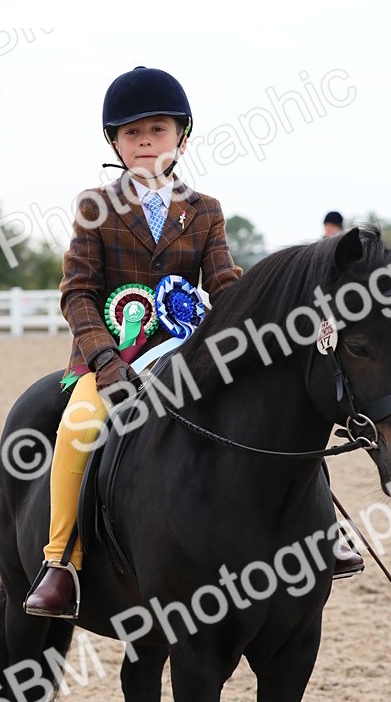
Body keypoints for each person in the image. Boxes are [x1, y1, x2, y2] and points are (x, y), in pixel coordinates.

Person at [25, 66, 243, 617]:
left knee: (269, 400)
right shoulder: (94, 207)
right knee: (77, 427)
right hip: (112, 358)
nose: (146, 141)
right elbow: (78, 292)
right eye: (132, 133)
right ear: (115, 144)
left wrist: (255, 314)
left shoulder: (206, 210)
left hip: (185, 350)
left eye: (158, 130)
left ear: (182, 139)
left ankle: (325, 526)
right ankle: (61, 566)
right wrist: (104, 360)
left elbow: (222, 282)